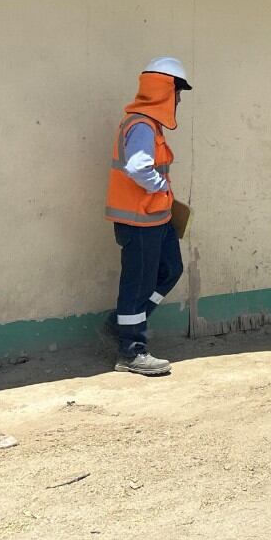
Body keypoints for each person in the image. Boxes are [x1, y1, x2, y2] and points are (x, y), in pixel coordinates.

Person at [104, 57, 191, 376]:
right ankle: (130, 351)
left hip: (156, 218)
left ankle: (124, 321)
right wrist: (161, 189)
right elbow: (138, 167)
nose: (179, 99)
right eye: (177, 91)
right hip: (140, 222)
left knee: (171, 269)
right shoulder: (140, 125)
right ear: (163, 91)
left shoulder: (148, 124)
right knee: (136, 285)